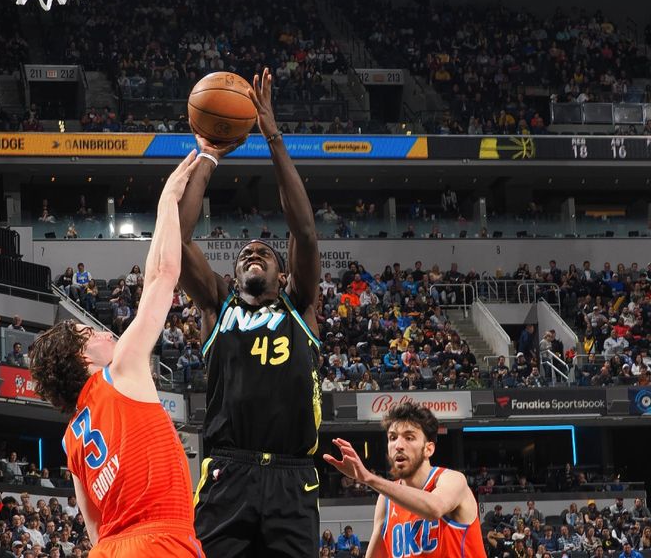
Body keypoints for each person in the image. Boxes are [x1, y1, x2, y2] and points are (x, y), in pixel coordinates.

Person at [177, 68, 322, 557]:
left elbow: (303, 232)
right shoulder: (217, 306)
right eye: (244, 255)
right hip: (227, 471)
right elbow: (177, 241)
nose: (252, 252)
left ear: (284, 276)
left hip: (292, 475)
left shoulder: (300, 303)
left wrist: (273, 138)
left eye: (264, 252)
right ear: (234, 276)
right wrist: (208, 156)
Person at [28, 153, 203, 558]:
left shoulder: (72, 438)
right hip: (159, 540)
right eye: (91, 333)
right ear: (81, 357)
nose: (107, 333)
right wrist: (166, 200)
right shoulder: (120, 370)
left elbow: (94, 530)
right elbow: (162, 276)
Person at [324, 403, 487, 558]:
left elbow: (434, 508)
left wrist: (368, 478)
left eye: (409, 438)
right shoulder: (385, 501)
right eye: (393, 438)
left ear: (428, 449)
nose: (398, 445)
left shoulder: (451, 480)